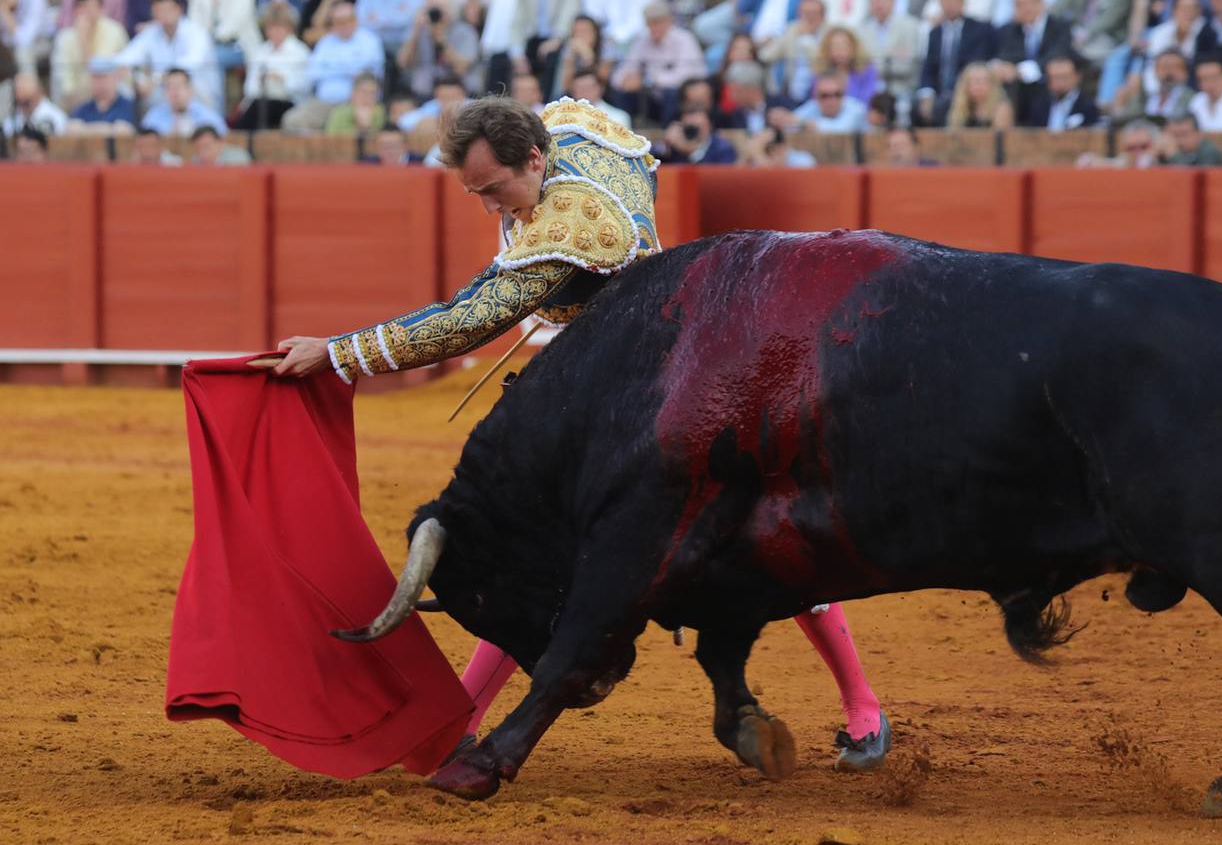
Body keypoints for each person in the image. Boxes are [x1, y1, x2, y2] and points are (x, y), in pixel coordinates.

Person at [270, 95, 894, 774]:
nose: (490, 209)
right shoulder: (572, 130)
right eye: (476, 193)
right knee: (538, 551)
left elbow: (469, 319)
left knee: (759, 533)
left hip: (650, 390)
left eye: (494, 190)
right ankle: (468, 723)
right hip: (599, 370)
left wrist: (341, 353)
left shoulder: (574, 223)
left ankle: (863, 706)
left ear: (534, 159)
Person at [281, 0, 384, 131]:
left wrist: (331, 68)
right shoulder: (325, 43)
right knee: (291, 120)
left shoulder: (370, 41)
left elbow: (369, 75)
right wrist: (346, 70)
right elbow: (312, 73)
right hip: (324, 102)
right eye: (340, 21)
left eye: (348, 20)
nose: (345, 25)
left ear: (356, 19)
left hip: (357, 103)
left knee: (346, 125)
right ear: (333, 23)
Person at [113, 0, 222, 110]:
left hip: (200, 99)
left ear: (179, 9)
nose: (164, 14)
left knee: (179, 84)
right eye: (159, 10)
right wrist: (138, 79)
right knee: (122, 77)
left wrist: (155, 79)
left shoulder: (197, 32)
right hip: (165, 98)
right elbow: (126, 57)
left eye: (168, 9)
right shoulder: (152, 32)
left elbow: (189, 64)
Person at [611, 0, 707, 126]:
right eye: (651, 22)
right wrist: (624, 81)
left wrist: (647, 80)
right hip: (652, 97)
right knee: (623, 92)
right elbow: (626, 67)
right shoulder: (642, 40)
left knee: (671, 93)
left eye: (659, 22)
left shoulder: (684, 39)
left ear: (669, 21)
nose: (655, 27)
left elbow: (683, 77)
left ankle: (666, 134)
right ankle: (624, 133)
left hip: (682, 97)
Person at [918, 0, 997, 124]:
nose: (950, 5)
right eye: (946, 1)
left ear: (962, 3)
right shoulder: (935, 33)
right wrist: (927, 94)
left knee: (944, 106)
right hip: (939, 91)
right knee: (917, 107)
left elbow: (977, 62)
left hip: (965, 87)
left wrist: (959, 88)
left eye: (954, 1)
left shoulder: (980, 29)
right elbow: (928, 67)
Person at [993, 0, 1074, 121]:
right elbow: (1006, 56)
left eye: (1028, 3)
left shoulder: (1060, 27)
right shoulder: (1009, 30)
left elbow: (1057, 55)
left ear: (1041, 4)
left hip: (1048, 83)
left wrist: (1020, 71)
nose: (1025, 9)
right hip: (1018, 89)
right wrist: (1005, 68)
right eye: (1019, 5)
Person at [232, 0, 309, 130]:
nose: (275, 32)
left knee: (259, 110)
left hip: (290, 102)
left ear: (289, 28)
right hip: (261, 101)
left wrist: (282, 78)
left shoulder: (300, 52)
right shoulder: (261, 51)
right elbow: (250, 87)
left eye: (279, 27)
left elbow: (304, 87)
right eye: (271, 27)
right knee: (254, 109)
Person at [50, 0, 129, 110]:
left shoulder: (114, 31)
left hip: (112, 99)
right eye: (81, 7)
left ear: (101, 9)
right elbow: (65, 84)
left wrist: (83, 41)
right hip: (77, 100)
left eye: (90, 6)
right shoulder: (64, 38)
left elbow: (100, 72)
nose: (85, 12)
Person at [396, 0, 481, 98]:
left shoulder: (465, 31)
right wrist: (416, 30)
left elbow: (461, 67)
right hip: (424, 92)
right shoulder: (420, 31)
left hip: (459, 92)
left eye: (440, 9)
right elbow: (402, 63)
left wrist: (442, 42)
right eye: (431, 8)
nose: (435, 14)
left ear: (451, 11)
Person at [759, 0, 827, 104]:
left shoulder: (828, 34)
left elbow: (821, 65)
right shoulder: (792, 29)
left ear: (823, 16)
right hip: (789, 92)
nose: (809, 18)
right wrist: (769, 42)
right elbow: (766, 56)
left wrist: (807, 38)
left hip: (819, 94)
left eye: (814, 13)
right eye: (805, 13)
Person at [859, 0, 921, 101]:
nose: (879, 4)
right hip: (869, 92)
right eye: (874, 1)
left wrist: (873, 63)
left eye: (882, 0)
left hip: (901, 90)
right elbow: (860, 65)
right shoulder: (861, 30)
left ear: (893, 1)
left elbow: (906, 66)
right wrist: (891, 58)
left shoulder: (909, 26)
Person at [772, 68, 871, 132]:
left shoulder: (856, 109)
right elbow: (790, 124)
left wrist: (803, 124)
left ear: (844, 93)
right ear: (816, 95)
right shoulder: (813, 105)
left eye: (837, 94)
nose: (831, 100)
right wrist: (781, 118)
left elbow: (839, 130)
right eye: (825, 95)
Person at [140, 65, 228, 134]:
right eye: (169, 87)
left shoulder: (207, 115)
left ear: (190, 89)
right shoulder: (154, 116)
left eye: (179, 86)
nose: (174, 92)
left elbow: (223, 138)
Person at [1024, 53, 1100, 128]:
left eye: (1063, 77)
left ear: (1077, 76)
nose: (1059, 82)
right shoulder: (1038, 105)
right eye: (1054, 77)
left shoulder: (1088, 105)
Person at [812, 24, 881, 105]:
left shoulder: (867, 71)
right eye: (835, 46)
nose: (840, 50)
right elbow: (815, 103)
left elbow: (868, 102)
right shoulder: (820, 73)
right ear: (827, 50)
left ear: (854, 47)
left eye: (844, 45)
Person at [654, 102, 738, 163]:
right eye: (689, 126)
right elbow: (651, 163)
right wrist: (666, 145)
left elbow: (716, 178)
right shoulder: (675, 147)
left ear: (709, 125)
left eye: (698, 126)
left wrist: (692, 153)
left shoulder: (723, 148)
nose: (693, 130)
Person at [68, 54, 136, 128]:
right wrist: (110, 128)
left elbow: (124, 131)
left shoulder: (128, 106)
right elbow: (72, 128)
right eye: (95, 77)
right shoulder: (83, 108)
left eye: (103, 77)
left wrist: (85, 128)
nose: (99, 82)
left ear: (115, 78)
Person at [947, 60, 1015, 128]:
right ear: (965, 85)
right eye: (975, 81)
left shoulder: (1001, 107)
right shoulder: (956, 105)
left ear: (993, 84)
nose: (979, 86)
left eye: (984, 81)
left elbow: (1000, 136)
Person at [3, 73, 70, 135]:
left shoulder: (56, 117)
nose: (23, 107)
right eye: (19, 101)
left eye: (27, 102)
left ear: (38, 94)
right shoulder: (13, 119)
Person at [1158, 111, 1222, 163]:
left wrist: (1174, 156)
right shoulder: (1167, 151)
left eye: (1184, 134)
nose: (1179, 140)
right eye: (1175, 135)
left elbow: (1192, 178)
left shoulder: (1209, 153)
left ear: (1198, 134)